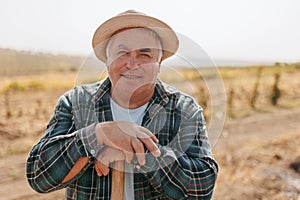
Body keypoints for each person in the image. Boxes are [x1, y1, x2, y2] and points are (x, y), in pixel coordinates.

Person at [26, 10, 218, 199]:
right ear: (107, 60)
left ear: (159, 64)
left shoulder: (184, 109)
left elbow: (202, 189)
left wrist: (134, 152)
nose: (132, 64)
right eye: (122, 52)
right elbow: (38, 176)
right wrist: (99, 134)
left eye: (145, 55)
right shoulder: (76, 102)